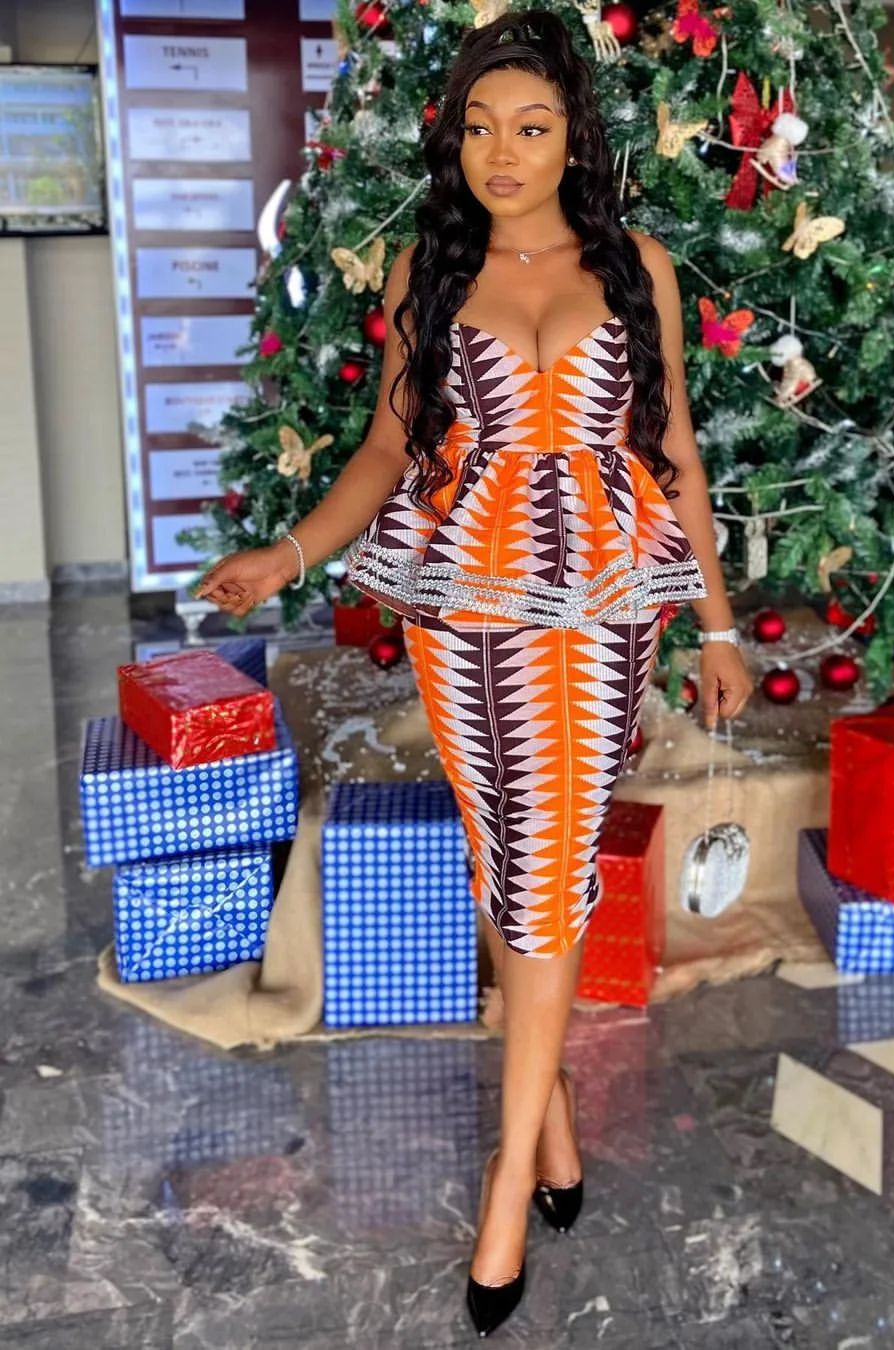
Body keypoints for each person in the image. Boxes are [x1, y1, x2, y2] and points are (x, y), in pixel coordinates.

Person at [194, 7, 753, 1338]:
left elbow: (672, 450)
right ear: (454, 139)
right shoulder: (426, 271)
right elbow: (389, 453)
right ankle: (548, 1112)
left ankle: (511, 1175)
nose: (504, 153)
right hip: (467, 604)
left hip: (604, 604)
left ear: (573, 139)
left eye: (533, 127)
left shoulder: (637, 267)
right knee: (509, 846)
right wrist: (287, 553)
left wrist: (720, 625)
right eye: (482, 128)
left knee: (547, 857)